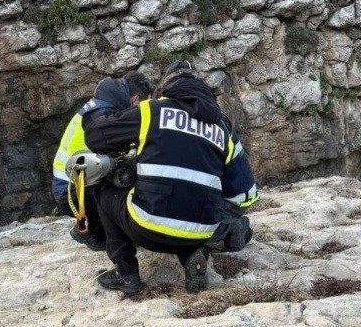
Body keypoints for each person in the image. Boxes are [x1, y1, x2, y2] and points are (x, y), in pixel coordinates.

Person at [85, 60, 258, 294]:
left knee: (104, 191)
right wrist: (221, 219)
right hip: (201, 232)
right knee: (188, 206)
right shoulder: (222, 127)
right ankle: (191, 253)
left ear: (166, 86)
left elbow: (96, 136)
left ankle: (127, 275)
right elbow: (244, 193)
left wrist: (106, 112)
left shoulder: (151, 111)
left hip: (146, 231)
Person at [52, 72, 153, 251]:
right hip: (73, 190)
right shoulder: (101, 113)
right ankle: (89, 231)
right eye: (144, 104)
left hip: (75, 184)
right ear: (136, 99)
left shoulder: (104, 107)